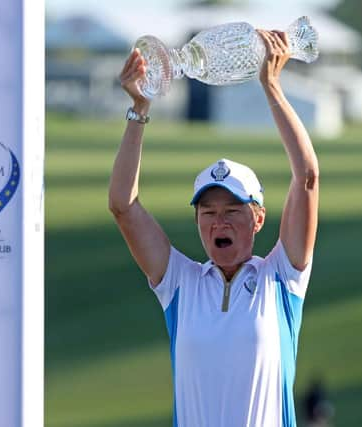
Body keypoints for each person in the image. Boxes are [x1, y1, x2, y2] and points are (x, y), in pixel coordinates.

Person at [109, 29, 319, 427]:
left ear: (258, 218)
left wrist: (271, 87)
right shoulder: (180, 284)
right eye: (208, 212)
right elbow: (123, 206)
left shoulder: (281, 277)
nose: (219, 222)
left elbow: (306, 177)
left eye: (232, 210)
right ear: (197, 221)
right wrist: (140, 108)